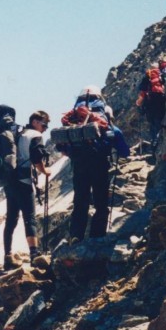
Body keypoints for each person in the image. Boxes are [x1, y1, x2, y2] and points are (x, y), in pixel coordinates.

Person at [60, 86, 129, 244]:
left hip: (79, 165)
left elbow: (62, 147)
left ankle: (76, 235)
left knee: (80, 201)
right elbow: (124, 152)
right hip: (100, 164)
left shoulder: (73, 120)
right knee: (101, 201)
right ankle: (97, 236)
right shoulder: (106, 122)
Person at [2, 111, 51, 267]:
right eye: (44, 124)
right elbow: (37, 159)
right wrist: (45, 171)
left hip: (9, 181)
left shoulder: (16, 133)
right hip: (24, 181)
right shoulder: (34, 135)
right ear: (35, 121)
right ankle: (34, 255)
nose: (45, 128)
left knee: (11, 219)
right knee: (29, 218)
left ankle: (7, 257)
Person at [136, 59, 166, 150]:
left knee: (154, 124)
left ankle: (155, 143)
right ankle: (162, 140)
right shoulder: (162, 74)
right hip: (162, 99)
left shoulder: (148, 75)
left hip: (151, 102)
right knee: (161, 120)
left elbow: (143, 92)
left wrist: (138, 103)